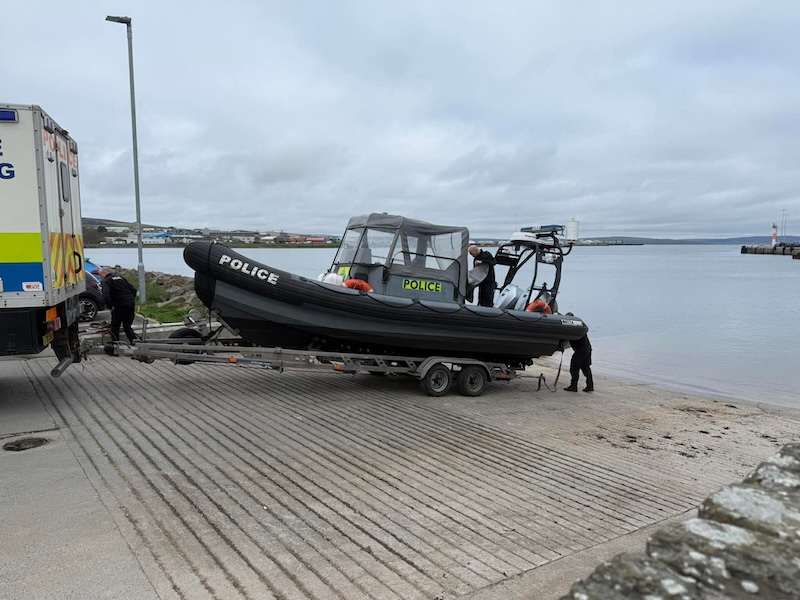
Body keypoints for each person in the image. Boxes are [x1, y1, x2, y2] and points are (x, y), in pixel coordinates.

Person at [93, 268, 139, 344]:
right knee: (127, 326)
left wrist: (110, 306)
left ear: (105, 273)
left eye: (100, 275)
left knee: (115, 326)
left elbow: (106, 295)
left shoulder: (106, 281)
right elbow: (133, 290)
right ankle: (135, 342)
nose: (100, 277)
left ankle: (115, 345)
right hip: (130, 303)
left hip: (119, 305)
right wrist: (130, 299)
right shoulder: (121, 278)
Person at [564, 312, 593, 392]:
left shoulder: (573, 328)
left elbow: (566, 337)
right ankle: (590, 385)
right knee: (585, 367)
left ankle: (573, 386)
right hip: (587, 349)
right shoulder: (578, 326)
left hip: (581, 350)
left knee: (574, 368)